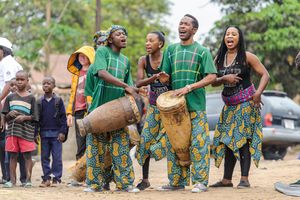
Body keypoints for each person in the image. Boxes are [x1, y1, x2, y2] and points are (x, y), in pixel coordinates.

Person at [158, 14, 217, 193]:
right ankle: (176, 182)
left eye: (186, 24)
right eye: (180, 23)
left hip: (196, 106)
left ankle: (200, 182)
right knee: (175, 144)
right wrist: (164, 79)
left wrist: (189, 87)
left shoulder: (202, 51)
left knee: (199, 143)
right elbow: (166, 77)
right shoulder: (170, 50)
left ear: (194, 30)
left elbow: (212, 76)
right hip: (174, 108)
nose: (182, 26)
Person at [210, 26, 269, 189]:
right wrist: (224, 78)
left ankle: (244, 179)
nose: (230, 36)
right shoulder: (218, 58)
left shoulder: (247, 56)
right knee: (227, 140)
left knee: (242, 140)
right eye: (227, 34)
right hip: (228, 106)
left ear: (239, 38)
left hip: (246, 103)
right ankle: (226, 180)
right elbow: (212, 80)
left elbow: (265, 75)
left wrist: (257, 93)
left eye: (233, 34)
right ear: (224, 38)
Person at [83, 25, 139, 193]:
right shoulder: (102, 52)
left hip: (119, 112)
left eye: (124, 33)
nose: (123, 36)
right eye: (118, 34)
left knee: (121, 147)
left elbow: (128, 85)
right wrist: (125, 86)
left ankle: (125, 183)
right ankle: (94, 185)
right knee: (96, 149)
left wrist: (135, 91)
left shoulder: (126, 60)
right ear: (110, 39)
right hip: (99, 110)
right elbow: (101, 73)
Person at [135, 31, 170, 190]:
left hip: (170, 108)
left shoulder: (169, 58)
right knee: (145, 140)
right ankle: (145, 179)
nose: (147, 43)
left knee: (174, 142)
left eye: (151, 41)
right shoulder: (143, 60)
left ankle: (176, 180)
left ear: (160, 44)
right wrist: (155, 78)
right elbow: (139, 83)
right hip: (154, 107)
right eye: (146, 40)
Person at [1, 70, 38, 188]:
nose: (19, 82)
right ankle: (12, 181)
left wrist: (24, 117)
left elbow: (35, 117)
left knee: (27, 156)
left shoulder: (31, 98)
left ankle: (28, 180)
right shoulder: (10, 97)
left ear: (27, 81)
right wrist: (8, 115)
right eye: (17, 79)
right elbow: (4, 116)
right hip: (12, 132)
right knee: (12, 156)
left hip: (26, 132)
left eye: (22, 80)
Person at [37, 76, 68, 187]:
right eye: (44, 83)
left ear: (54, 86)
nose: (46, 85)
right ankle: (46, 178)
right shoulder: (39, 102)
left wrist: (62, 132)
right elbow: (37, 119)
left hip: (56, 135)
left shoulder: (58, 101)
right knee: (44, 157)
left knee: (57, 157)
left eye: (48, 83)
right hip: (44, 134)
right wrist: (36, 133)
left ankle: (56, 178)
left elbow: (63, 118)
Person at [0, 37, 23, 184]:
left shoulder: (7, 63)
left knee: (5, 141)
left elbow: (8, 84)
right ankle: (7, 175)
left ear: (2, 50)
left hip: (6, 107)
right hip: (9, 105)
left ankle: (8, 175)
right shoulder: (9, 63)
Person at [66, 46, 95, 161]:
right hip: (78, 111)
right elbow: (72, 94)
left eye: (85, 55)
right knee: (80, 141)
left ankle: (92, 171)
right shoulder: (75, 74)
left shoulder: (95, 73)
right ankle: (79, 169)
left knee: (91, 139)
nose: (82, 57)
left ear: (90, 57)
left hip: (91, 110)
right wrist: (69, 113)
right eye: (79, 55)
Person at [1, 78, 26, 185]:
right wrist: (5, 117)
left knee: (23, 158)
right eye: (11, 85)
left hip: (23, 132)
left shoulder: (26, 97)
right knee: (8, 157)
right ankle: (9, 179)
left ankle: (24, 180)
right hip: (9, 133)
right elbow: (4, 115)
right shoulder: (6, 99)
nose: (13, 87)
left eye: (15, 85)